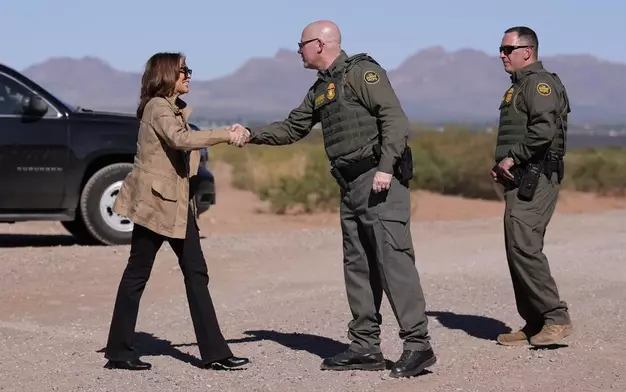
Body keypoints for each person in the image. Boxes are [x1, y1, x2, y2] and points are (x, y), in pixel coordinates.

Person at [227, 20, 436, 378]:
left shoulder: (362, 73)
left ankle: (418, 346)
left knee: (392, 263)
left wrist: (386, 167)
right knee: (358, 267)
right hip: (351, 186)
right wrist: (251, 134)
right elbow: (293, 127)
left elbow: (395, 119)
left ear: (320, 45)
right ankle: (364, 347)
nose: (298, 50)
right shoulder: (322, 89)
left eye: (301, 44)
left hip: (379, 180)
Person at [103, 52, 250, 371]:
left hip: (177, 204)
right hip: (158, 204)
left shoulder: (171, 108)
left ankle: (216, 353)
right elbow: (180, 140)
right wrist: (227, 134)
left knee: (195, 273)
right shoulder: (158, 107)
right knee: (138, 273)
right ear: (168, 74)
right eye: (184, 71)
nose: (189, 76)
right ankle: (118, 350)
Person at [491, 26, 573, 347]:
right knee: (517, 247)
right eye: (501, 48)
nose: (501, 54)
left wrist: (512, 158)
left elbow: (543, 131)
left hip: (537, 176)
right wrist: (503, 163)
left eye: (507, 48)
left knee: (524, 246)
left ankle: (555, 317)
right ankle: (536, 320)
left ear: (527, 51)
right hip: (522, 177)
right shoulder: (518, 86)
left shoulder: (538, 84)